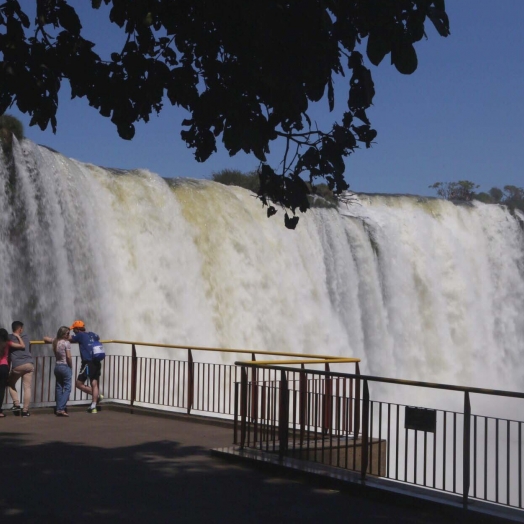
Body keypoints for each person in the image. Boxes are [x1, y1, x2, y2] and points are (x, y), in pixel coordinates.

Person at [70, 320, 102, 414]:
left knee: (78, 384)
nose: (73, 331)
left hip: (88, 363)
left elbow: (68, 338)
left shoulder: (79, 335)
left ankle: (97, 396)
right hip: (97, 361)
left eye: (74, 329)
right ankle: (94, 406)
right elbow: (98, 337)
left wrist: (55, 339)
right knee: (94, 383)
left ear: (77, 329)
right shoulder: (92, 334)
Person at [44, 326, 73, 417]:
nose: (69, 335)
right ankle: (61, 408)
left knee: (59, 387)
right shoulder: (66, 343)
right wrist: (71, 366)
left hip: (57, 367)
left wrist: (52, 339)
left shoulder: (55, 341)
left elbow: (45, 338)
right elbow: (68, 356)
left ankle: (58, 408)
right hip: (65, 366)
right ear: (63, 334)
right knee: (68, 388)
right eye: (67, 333)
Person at [7, 320, 34, 417]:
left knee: (10, 383)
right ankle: (25, 411)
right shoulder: (26, 337)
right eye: (22, 328)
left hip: (18, 365)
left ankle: (16, 404)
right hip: (29, 364)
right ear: (20, 329)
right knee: (27, 387)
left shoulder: (9, 338)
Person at [0, 328, 25, 418]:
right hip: (3, 367)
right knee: (1, 389)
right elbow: (22, 346)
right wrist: (18, 336)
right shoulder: (7, 343)